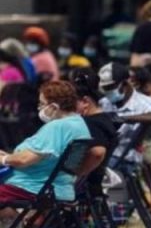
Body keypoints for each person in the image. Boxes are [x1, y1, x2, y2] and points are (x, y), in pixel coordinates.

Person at [0, 80, 91, 208]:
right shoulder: (79, 124)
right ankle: (15, 227)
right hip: (60, 188)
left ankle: (13, 226)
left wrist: (4, 159)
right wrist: (10, 156)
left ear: (54, 107)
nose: (39, 108)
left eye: (42, 104)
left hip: (33, 188)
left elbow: (25, 160)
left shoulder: (56, 127)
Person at [98, 63, 151, 169]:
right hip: (102, 156)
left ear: (124, 84)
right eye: (105, 89)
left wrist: (124, 118)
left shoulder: (143, 102)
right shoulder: (104, 102)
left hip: (123, 159)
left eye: (110, 88)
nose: (107, 92)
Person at [69, 68, 118, 196]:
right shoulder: (104, 118)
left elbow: (97, 153)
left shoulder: (91, 124)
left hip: (85, 185)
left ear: (85, 101)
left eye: (71, 102)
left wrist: (77, 175)